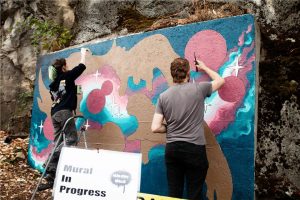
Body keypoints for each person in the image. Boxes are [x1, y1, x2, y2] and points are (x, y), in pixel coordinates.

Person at [151, 58, 225, 200]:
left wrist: (170, 127)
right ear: (188, 73)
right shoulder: (199, 88)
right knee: (194, 194)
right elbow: (220, 81)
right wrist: (204, 68)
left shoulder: (163, 96)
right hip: (194, 149)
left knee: (174, 194)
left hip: (172, 149)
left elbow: (155, 127)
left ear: (172, 74)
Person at [38, 48, 88, 191]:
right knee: (71, 140)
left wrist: (74, 91)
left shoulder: (52, 85)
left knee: (58, 142)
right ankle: (49, 162)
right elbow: (81, 67)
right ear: (64, 67)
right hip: (65, 112)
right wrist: (83, 53)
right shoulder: (68, 76)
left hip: (55, 114)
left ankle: (50, 173)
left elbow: (57, 97)